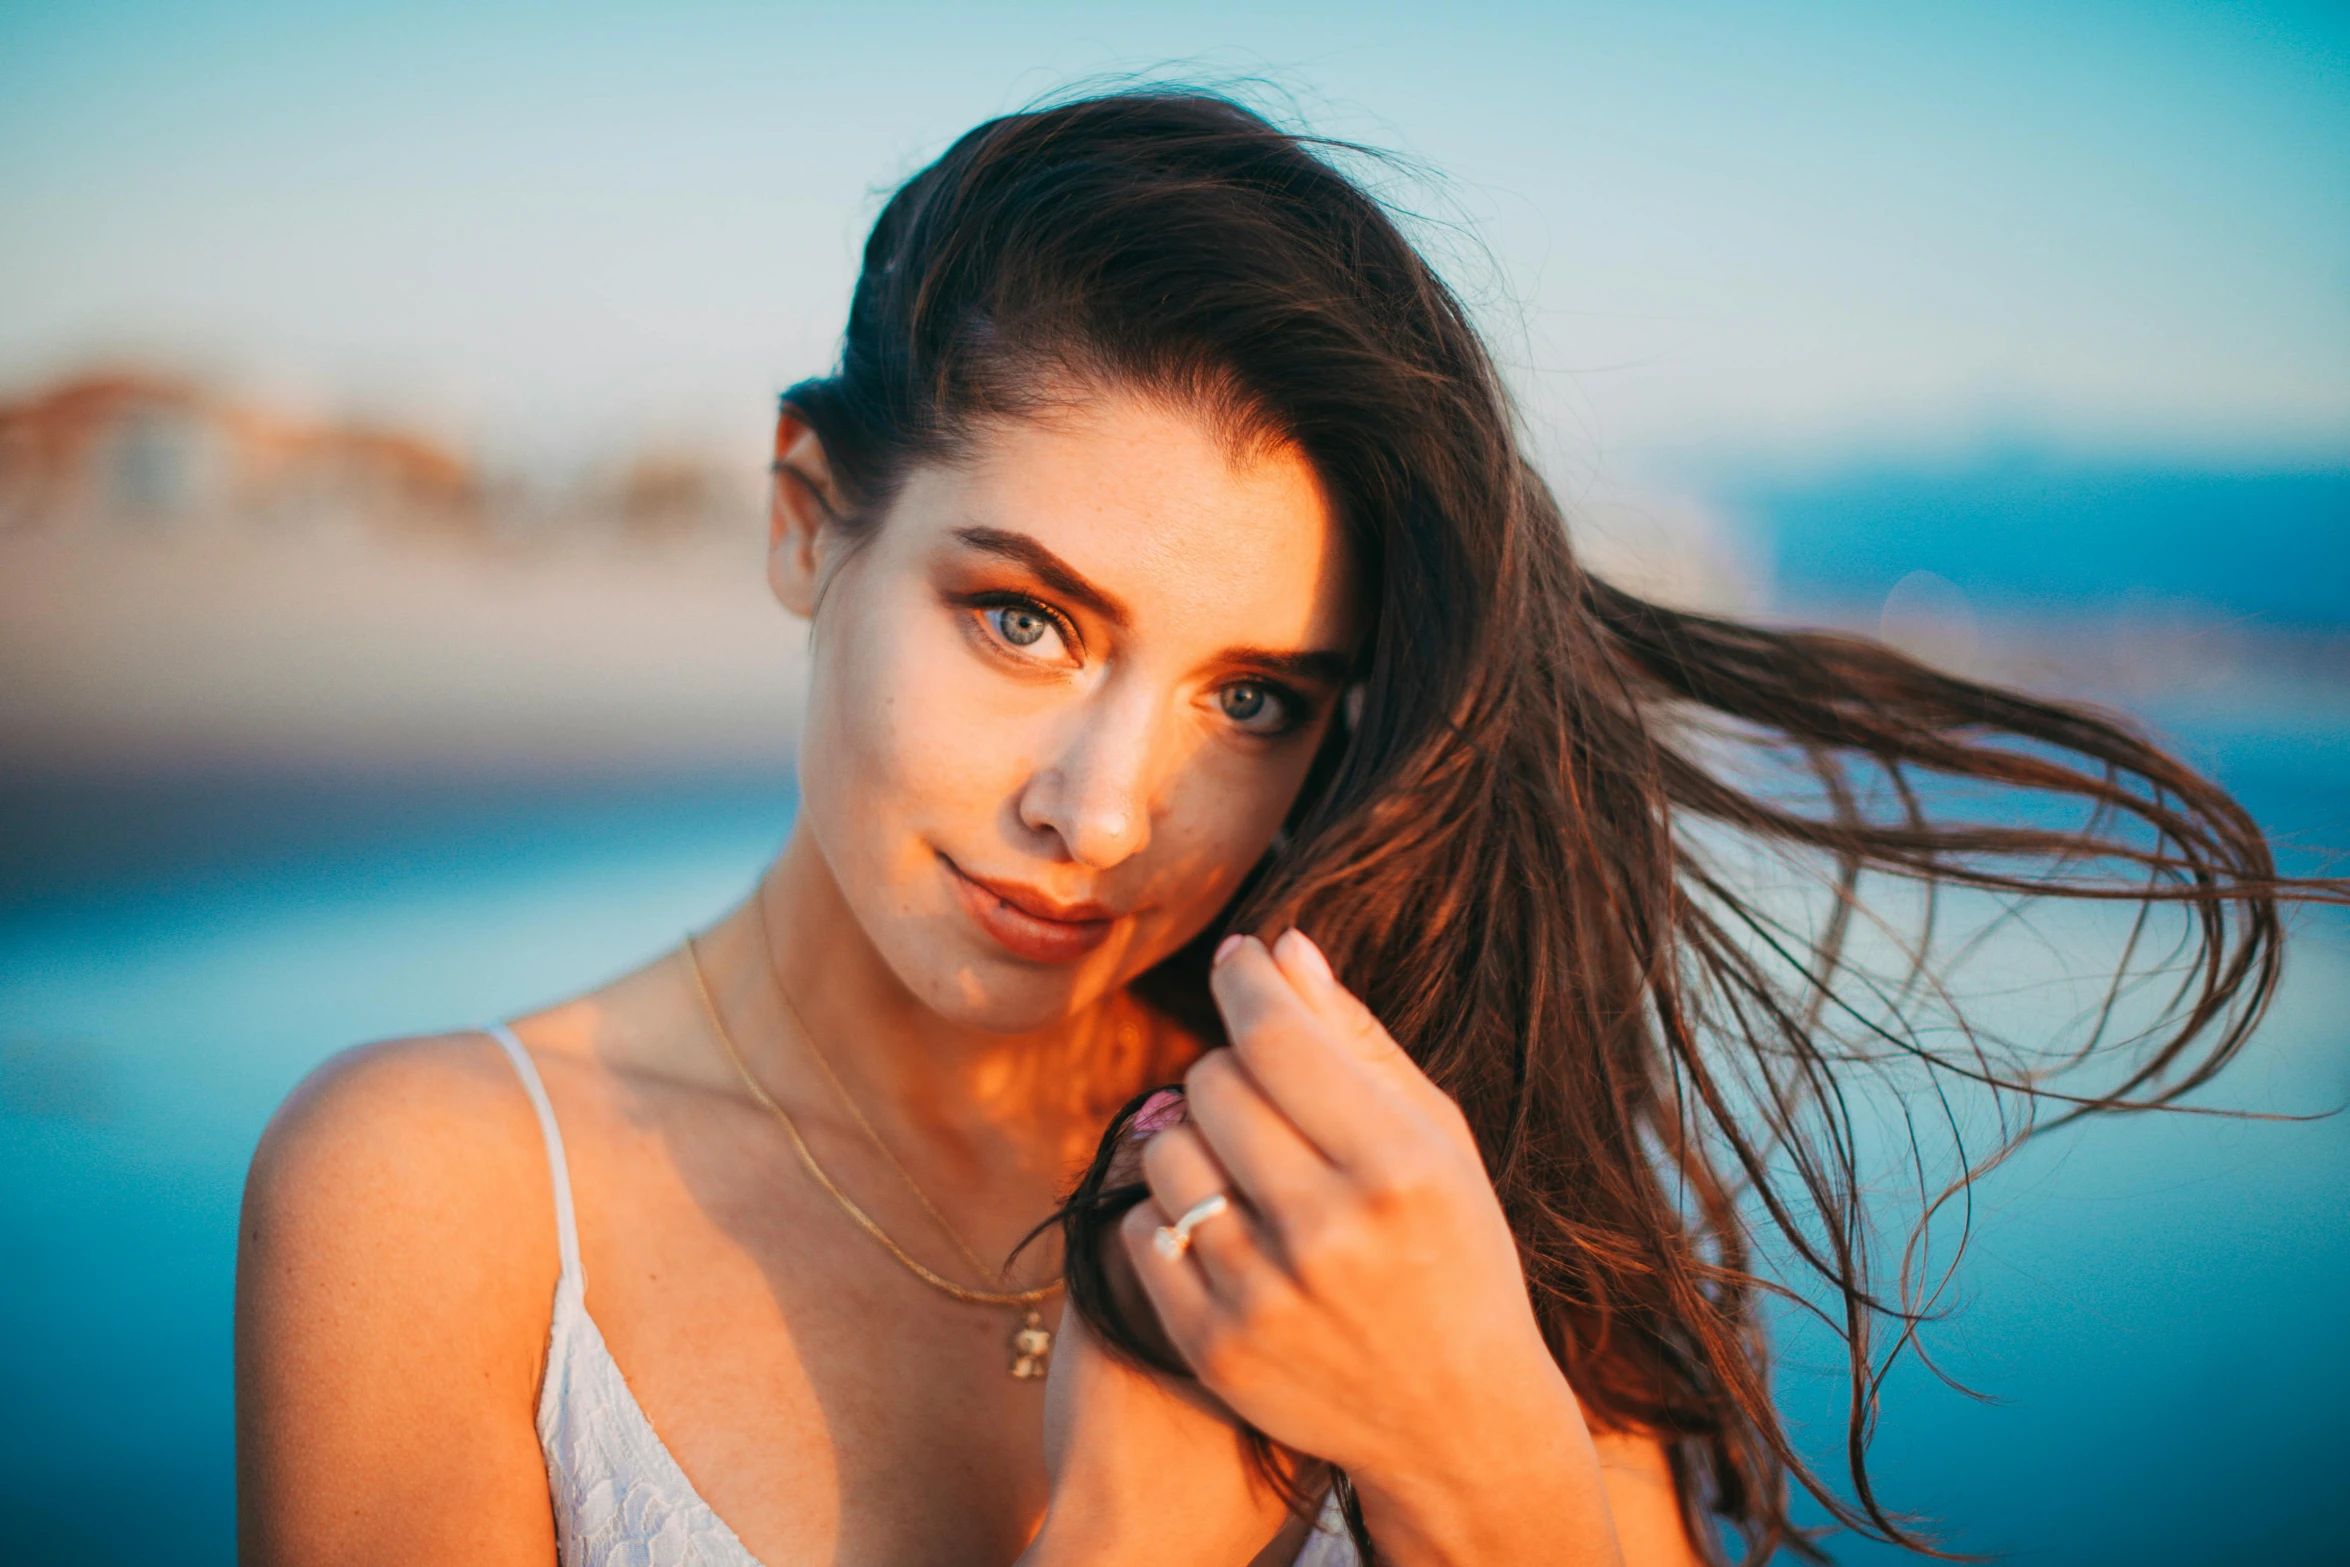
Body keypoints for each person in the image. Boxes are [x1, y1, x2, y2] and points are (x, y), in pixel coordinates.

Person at [234, 90, 2332, 1566]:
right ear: (810, 522)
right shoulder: (447, 1204)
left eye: (1253, 699)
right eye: (1024, 620)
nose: (1105, 808)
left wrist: (1482, 1452)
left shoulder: (1417, 1182)